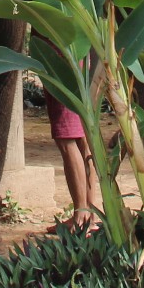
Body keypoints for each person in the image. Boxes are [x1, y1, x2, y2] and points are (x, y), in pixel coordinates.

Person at [47, 95, 103, 231]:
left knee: (66, 140)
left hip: (63, 80)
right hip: (82, 83)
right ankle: (88, 215)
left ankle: (81, 216)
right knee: (81, 139)